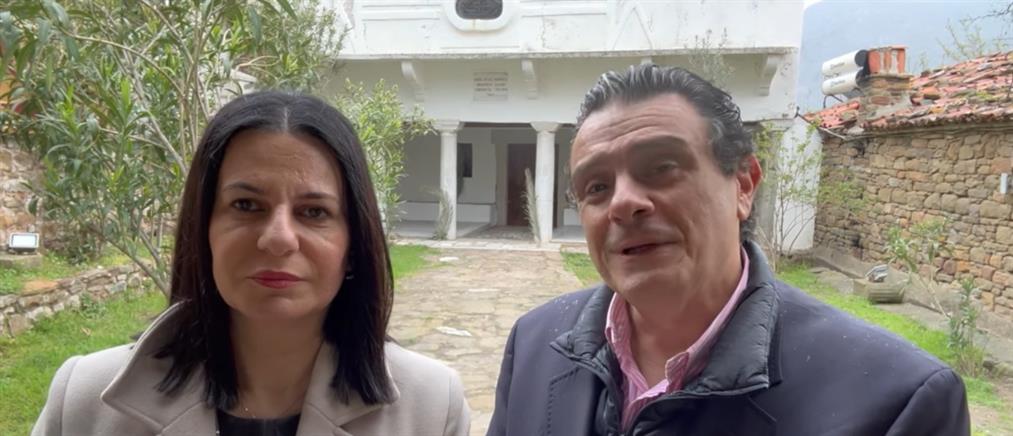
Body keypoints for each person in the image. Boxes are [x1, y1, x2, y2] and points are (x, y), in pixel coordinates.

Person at [487, 64, 970, 436]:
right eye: (596, 187)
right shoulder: (533, 345)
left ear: (744, 184)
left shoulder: (896, 401)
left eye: (661, 167)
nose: (624, 202)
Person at [33, 91, 470, 436]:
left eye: (314, 212)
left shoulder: (430, 408)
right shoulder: (84, 400)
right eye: (246, 205)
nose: (278, 238)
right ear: (204, 229)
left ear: (353, 243)